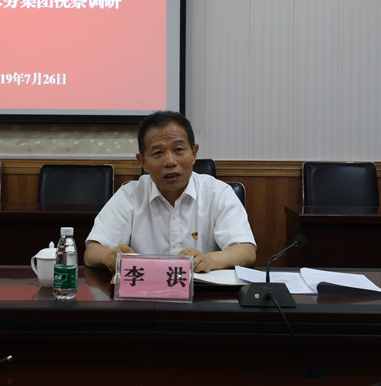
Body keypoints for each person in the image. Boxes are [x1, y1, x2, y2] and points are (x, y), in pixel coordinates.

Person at [84, 111, 256, 273]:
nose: (170, 161)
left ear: (194, 153)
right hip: (145, 292)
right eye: (158, 153)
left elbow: (246, 252)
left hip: (202, 293)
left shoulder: (218, 194)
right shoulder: (130, 195)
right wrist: (109, 257)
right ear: (143, 162)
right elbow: (92, 252)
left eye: (178, 149)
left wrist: (208, 260)